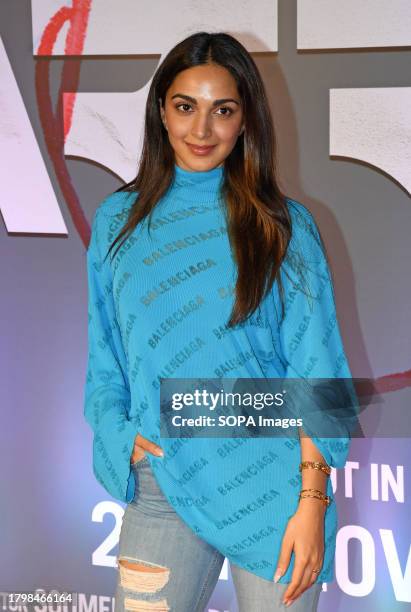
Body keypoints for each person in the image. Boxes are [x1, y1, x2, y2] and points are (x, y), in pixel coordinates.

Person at [84, 31, 353, 611]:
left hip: (272, 488)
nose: (201, 131)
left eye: (222, 110)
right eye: (186, 106)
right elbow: (104, 358)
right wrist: (117, 434)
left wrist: (312, 503)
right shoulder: (117, 223)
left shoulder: (283, 226)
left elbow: (319, 373)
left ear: (245, 119)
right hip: (161, 485)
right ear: (161, 110)